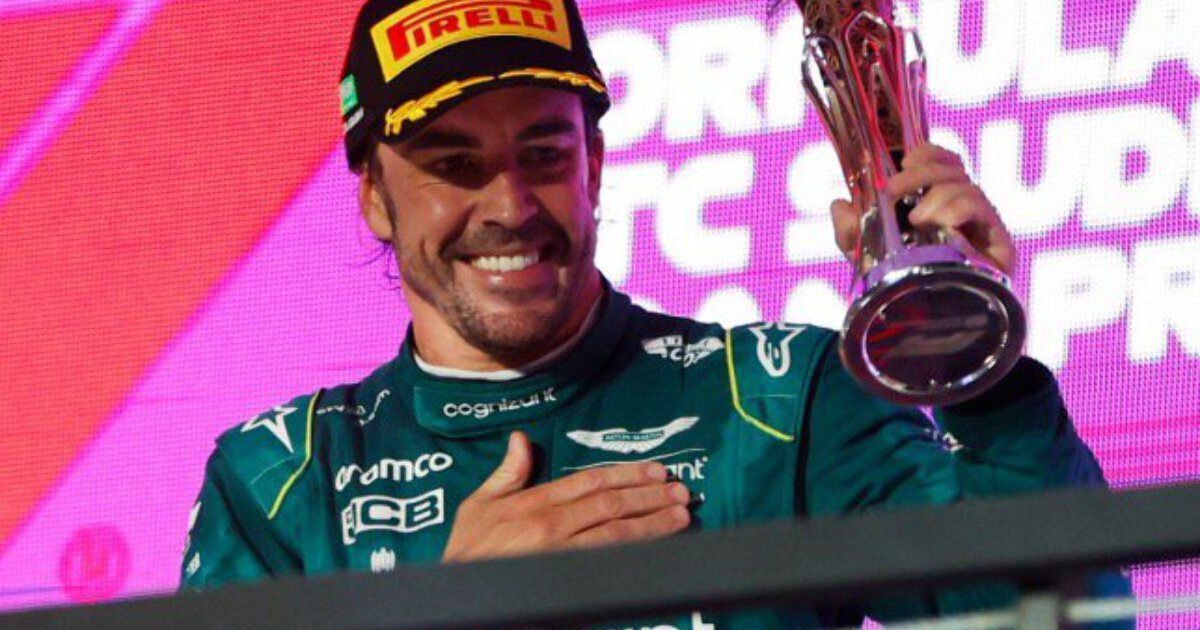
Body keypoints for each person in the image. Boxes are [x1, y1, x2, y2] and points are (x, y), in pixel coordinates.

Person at [180, 0, 1130, 626]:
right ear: (375, 198)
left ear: (595, 164)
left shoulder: (780, 402)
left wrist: (975, 366)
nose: (510, 204)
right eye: (454, 165)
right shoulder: (282, 482)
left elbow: (1058, 618)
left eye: (544, 154)